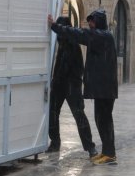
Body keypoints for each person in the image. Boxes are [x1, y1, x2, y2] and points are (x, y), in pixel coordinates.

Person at [48, 9, 118, 165]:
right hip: (101, 88)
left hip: (104, 88)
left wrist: (54, 26)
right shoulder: (100, 36)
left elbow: (79, 34)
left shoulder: (102, 36)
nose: (90, 24)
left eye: (93, 21)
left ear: (99, 22)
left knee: (104, 120)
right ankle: (107, 152)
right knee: (101, 120)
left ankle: (109, 154)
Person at [47, 16, 98, 159]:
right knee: (53, 112)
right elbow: (59, 66)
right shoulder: (61, 44)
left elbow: (78, 68)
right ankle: (55, 142)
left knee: (79, 115)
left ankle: (90, 147)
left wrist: (74, 84)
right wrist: (55, 81)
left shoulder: (73, 44)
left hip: (71, 85)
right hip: (59, 84)